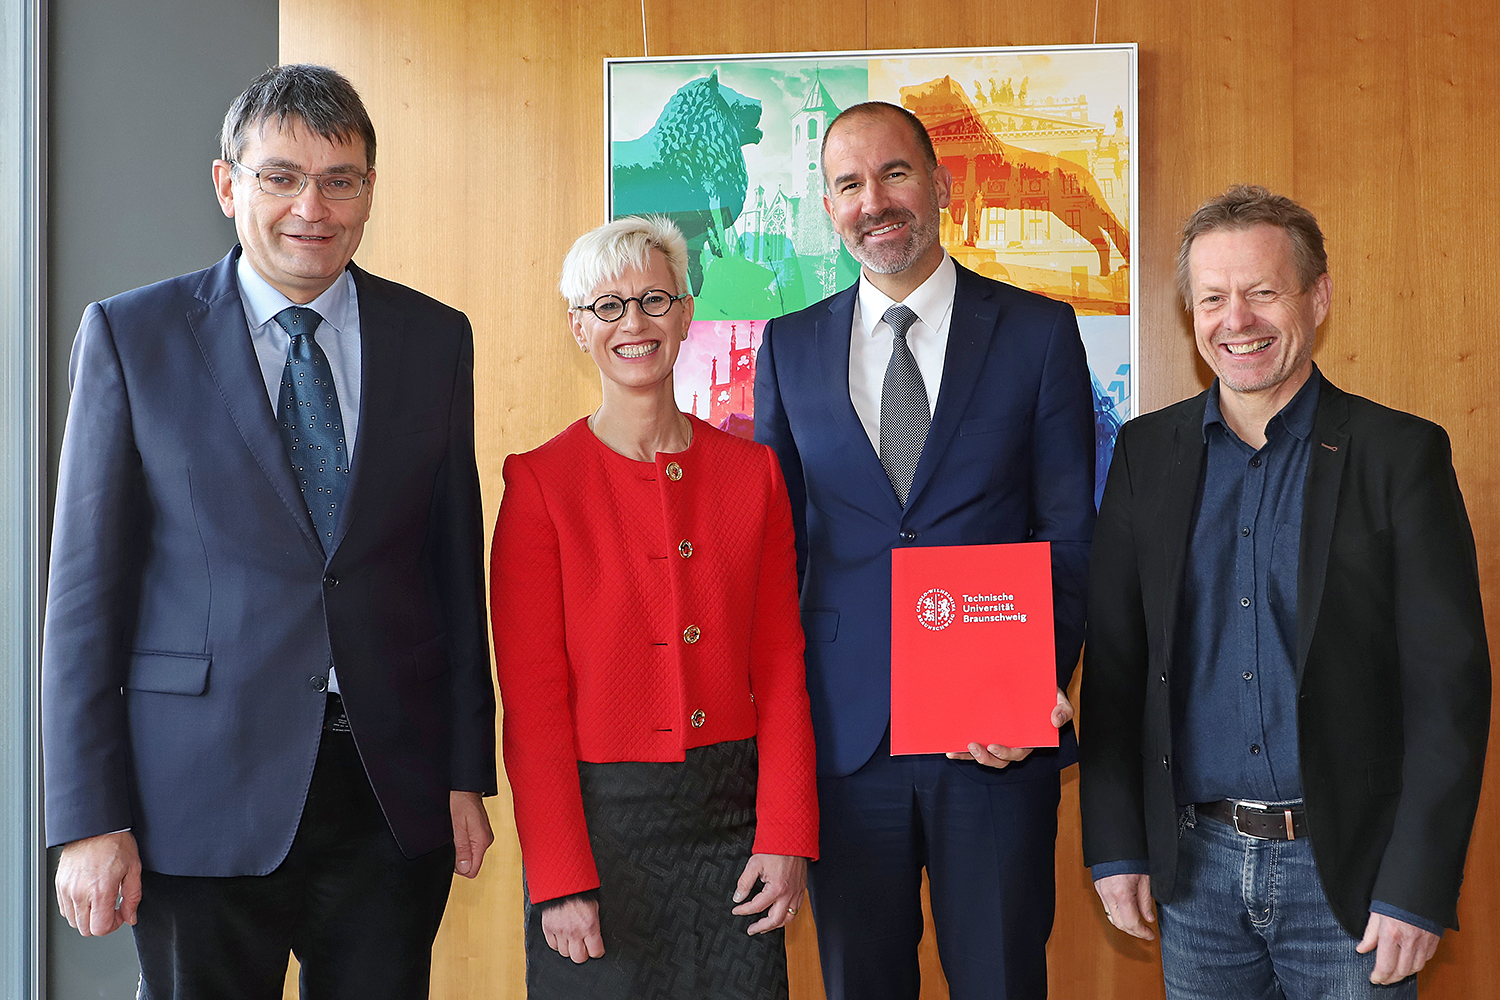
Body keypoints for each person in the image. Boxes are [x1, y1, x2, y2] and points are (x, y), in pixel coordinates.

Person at [43, 64, 496, 999]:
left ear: (369, 190)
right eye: (281, 176)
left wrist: (464, 773)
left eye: (341, 179)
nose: (312, 207)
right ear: (227, 185)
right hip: (194, 800)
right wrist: (87, 817)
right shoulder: (134, 338)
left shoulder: (433, 338)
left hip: (387, 791)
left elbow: (453, 573)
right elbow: (85, 597)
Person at [1080, 185, 1490, 998]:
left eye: (1263, 292)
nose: (1237, 320)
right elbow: (1121, 667)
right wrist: (1118, 845)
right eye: (1213, 298)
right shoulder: (1145, 454)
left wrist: (1417, 885)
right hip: (1193, 876)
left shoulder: (1399, 456)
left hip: (1350, 881)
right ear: (1191, 311)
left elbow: (1449, 693)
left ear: (1318, 296)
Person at [754, 102, 1096, 1000]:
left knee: (1001, 979)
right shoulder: (787, 347)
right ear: (829, 208)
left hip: (990, 743)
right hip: (844, 738)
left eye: (895, 174)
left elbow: (1068, 530)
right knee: (860, 982)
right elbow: (776, 550)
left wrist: (1026, 689)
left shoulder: (1037, 332)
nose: (876, 201)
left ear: (940, 185)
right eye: (849, 184)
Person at [490, 215, 818, 999]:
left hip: (733, 830)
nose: (633, 323)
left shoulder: (754, 474)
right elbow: (533, 704)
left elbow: (779, 666)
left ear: (686, 311)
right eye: (607, 307)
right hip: (604, 830)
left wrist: (786, 833)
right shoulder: (538, 486)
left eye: (653, 300)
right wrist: (559, 875)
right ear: (578, 327)